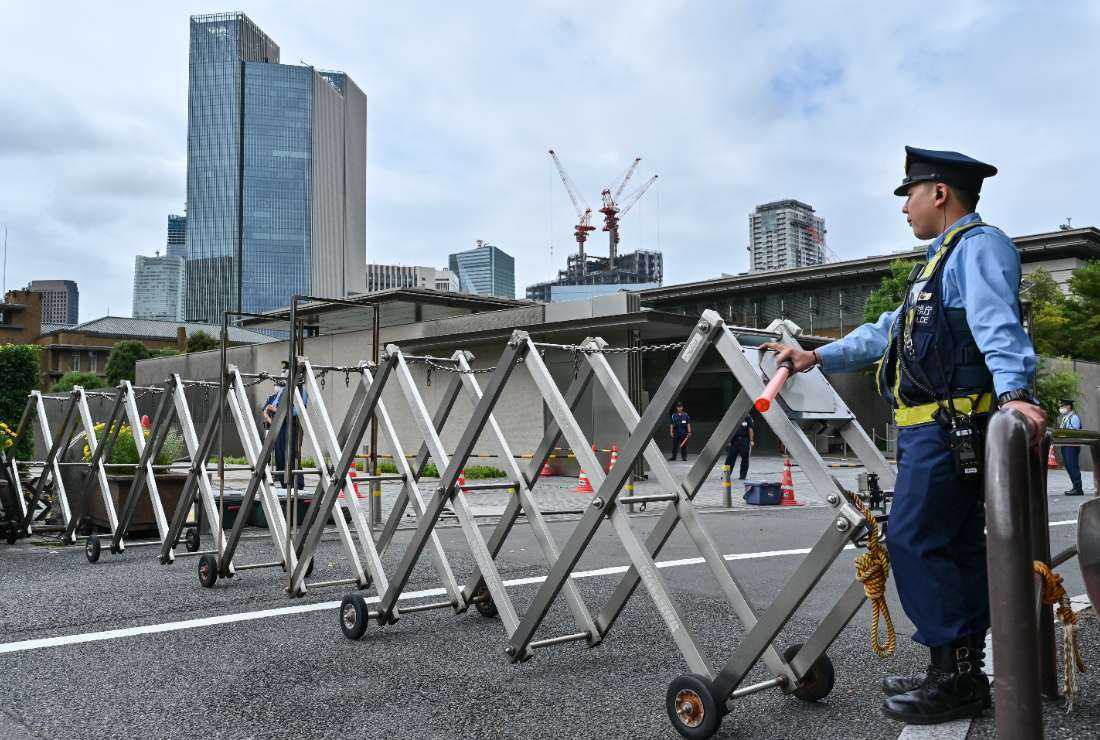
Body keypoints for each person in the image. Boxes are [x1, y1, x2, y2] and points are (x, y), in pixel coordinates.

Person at [762, 146, 1046, 725]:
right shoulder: (937, 264)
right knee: (955, 545)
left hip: (952, 429)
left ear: (939, 193)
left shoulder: (977, 246)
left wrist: (1016, 392)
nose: (905, 207)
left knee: (916, 540)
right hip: (938, 431)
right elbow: (886, 332)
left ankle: (955, 676)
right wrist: (816, 355)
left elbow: (997, 322)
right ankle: (959, 670)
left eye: (910, 194)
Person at [1059, 398, 1084, 496]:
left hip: (1071, 445)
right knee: (1069, 467)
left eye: (1063, 406)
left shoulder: (1074, 417)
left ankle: (1078, 488)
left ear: (1069, 407)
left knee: (1073, 466)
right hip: (1065, 445)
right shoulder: (1065, 418)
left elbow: (1074, 431)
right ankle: (1075, 487)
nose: (1061, 408)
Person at [725, 412, 755, 480]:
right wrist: (728, 440)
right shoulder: (734, 416)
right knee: (729, 458)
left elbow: (750, 429)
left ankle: (743, 475)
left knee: (745, 458)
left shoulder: (748, 417)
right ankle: (726, 475)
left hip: (744, 439)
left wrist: (751, 440)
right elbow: (729, 428)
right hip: (734, 440)